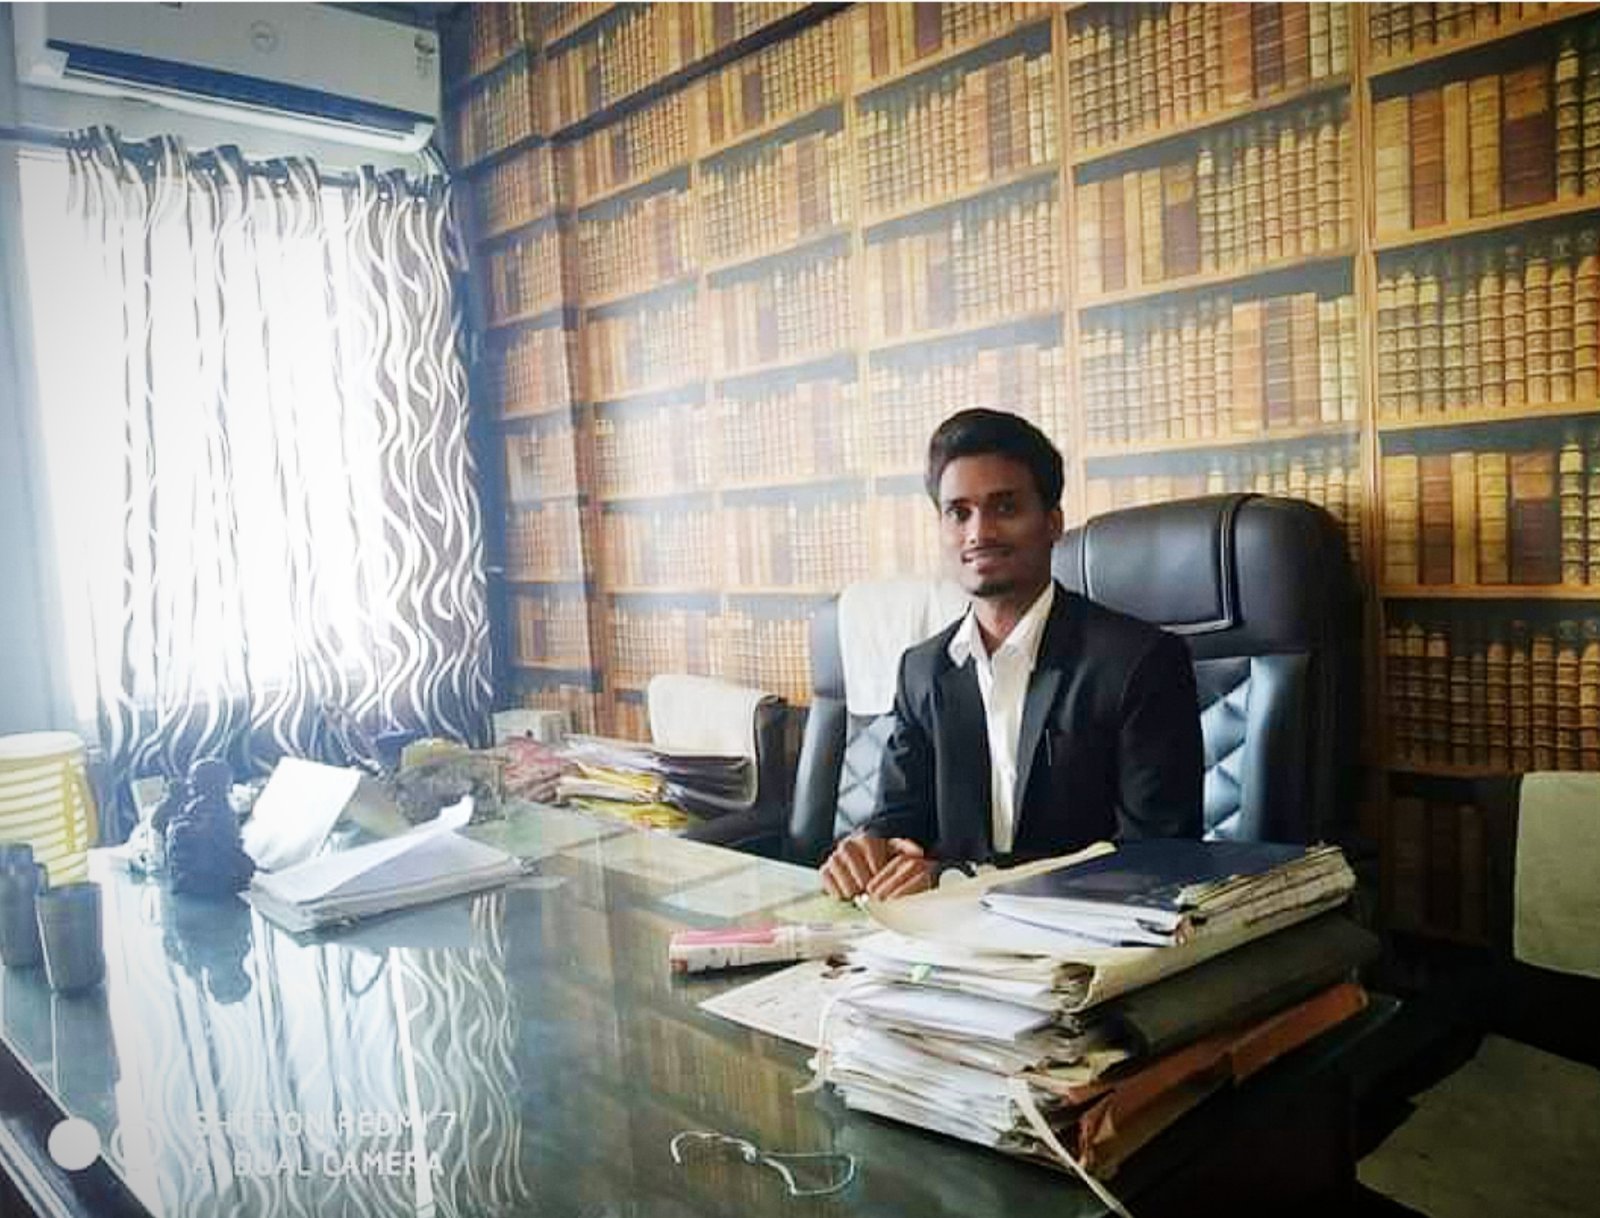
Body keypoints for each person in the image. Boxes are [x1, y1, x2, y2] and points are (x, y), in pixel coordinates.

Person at [821, 409, 1203, 901]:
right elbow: (902, 817)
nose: (979, 533)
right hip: (947, 929)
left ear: (1053, 522)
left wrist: (960, 877)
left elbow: (1157, 856)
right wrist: (871, 847)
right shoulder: (922, 670)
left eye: (1004, 507)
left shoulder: (1139, 663)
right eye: (958, 512)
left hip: (1083, 928)